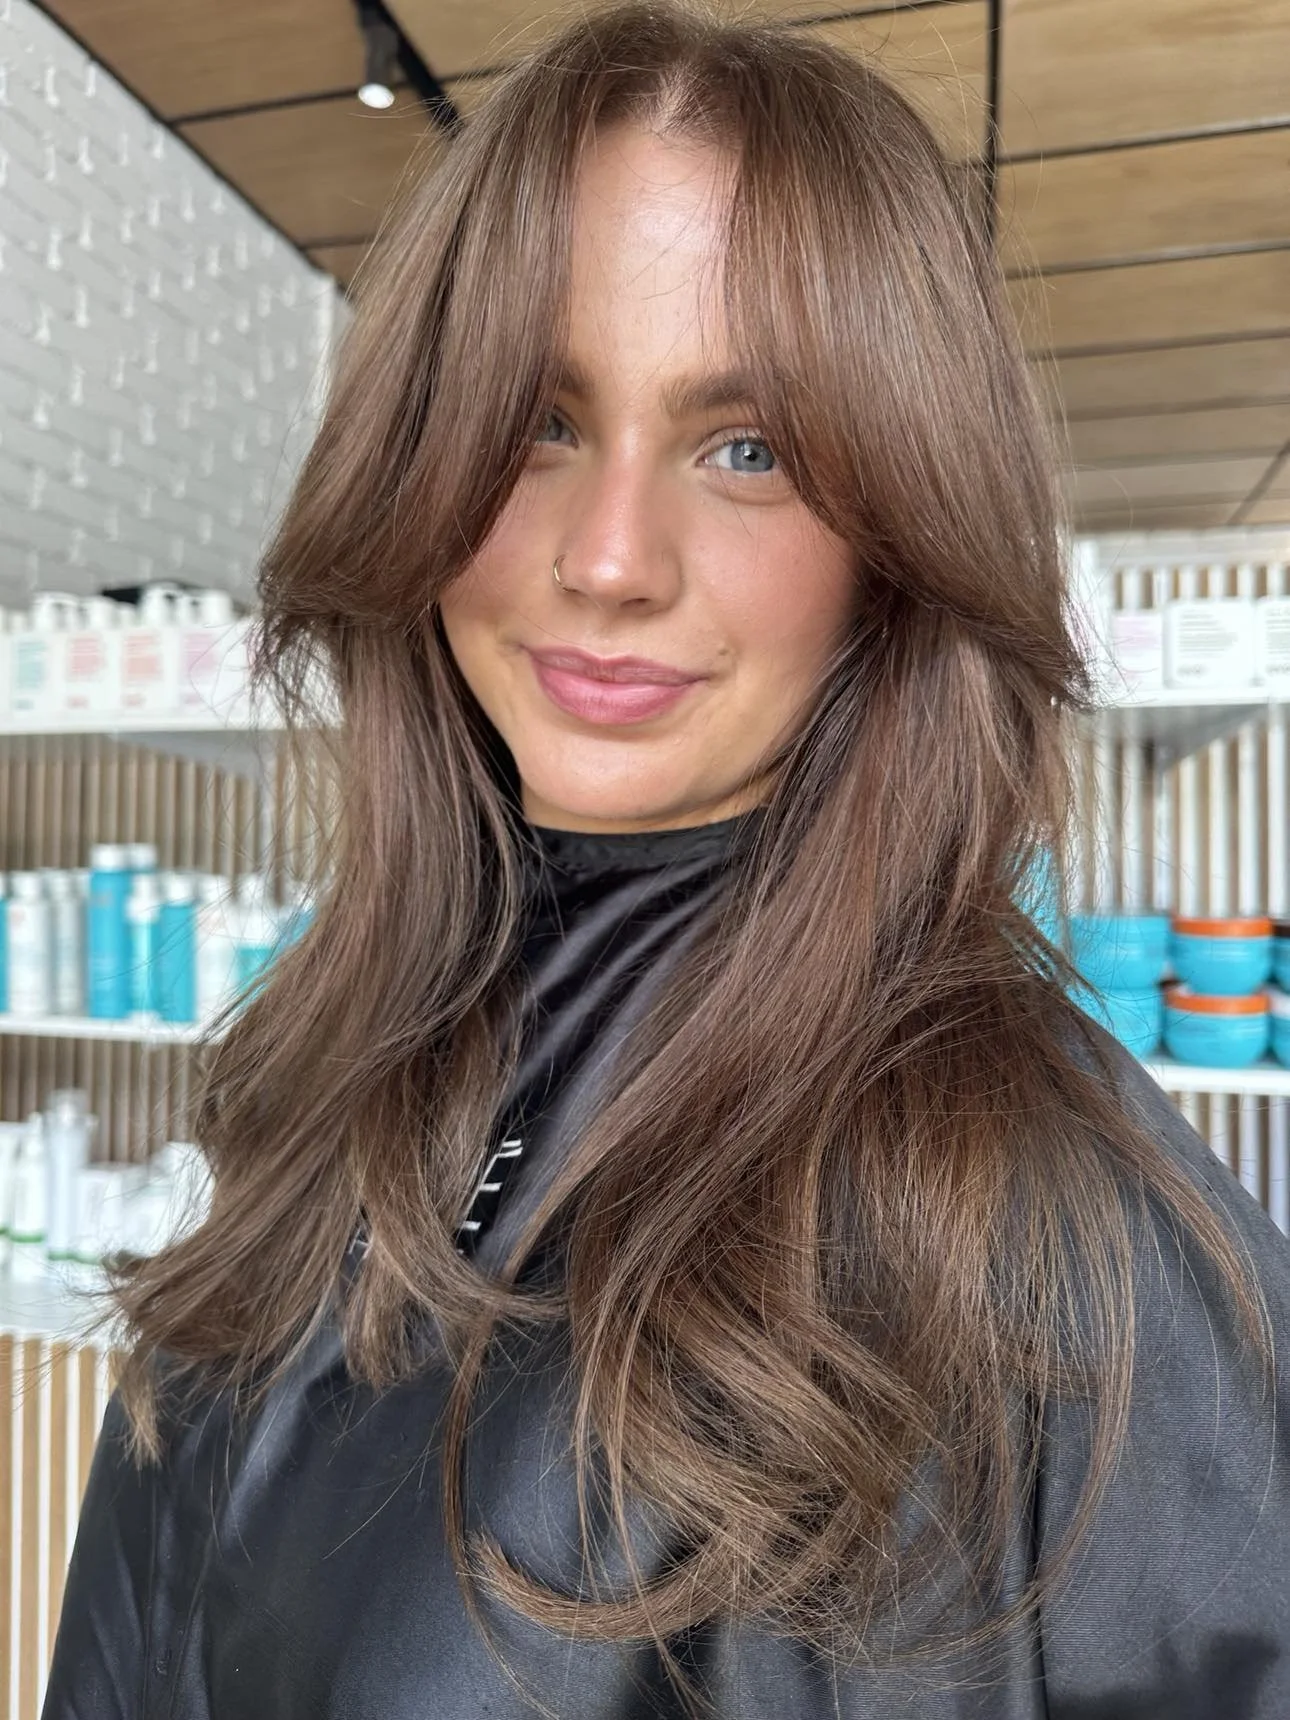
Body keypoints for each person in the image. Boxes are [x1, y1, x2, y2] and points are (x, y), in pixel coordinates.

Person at [43, 4, 1290, 1716]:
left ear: (898, 537)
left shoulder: (1060, 1265)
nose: (609, 556)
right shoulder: (319, 1079)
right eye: (537, 422)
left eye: (749, 448)